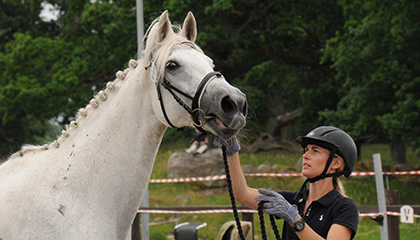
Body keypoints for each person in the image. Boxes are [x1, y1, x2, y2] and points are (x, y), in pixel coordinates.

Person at [214, 126, 359, 240]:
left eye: (315, 151)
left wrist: (295, 220)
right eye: (306, 150)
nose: (305, 155)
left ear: (336, 163)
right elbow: (242, 194)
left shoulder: (345, 207)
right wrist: (231, 149)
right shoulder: (293, 200)